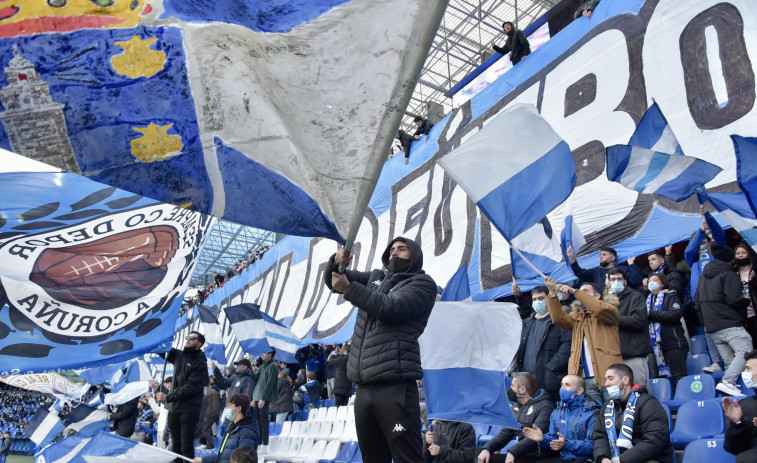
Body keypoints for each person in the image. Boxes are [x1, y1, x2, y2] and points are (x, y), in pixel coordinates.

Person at [324, 237, 437, 463]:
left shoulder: (423, 284)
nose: (394, 253)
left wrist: (350, 289)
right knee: (373, 458)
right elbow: (333, 280)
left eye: (402, 249)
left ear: (414, 256)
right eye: (392, 249)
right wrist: (337, 262)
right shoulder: (376, 277)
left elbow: (391, 307)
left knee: (408, 457)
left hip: (395, 388)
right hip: (364, 390)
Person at [546, 278, 622, 404]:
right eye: (579, 292)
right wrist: (552, 293)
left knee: (615, 412)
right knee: (594, 417)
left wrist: (573, 291)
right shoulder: (577, 317)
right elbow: (558, 319)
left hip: (609, 376)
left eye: (584, 291)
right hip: (584, 379)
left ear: (597, 296)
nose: (579, 294)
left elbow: (598, 309)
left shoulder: (609, 310)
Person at [695, 244, 753, 396]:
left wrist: (705, 323)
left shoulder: (702, 277)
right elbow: (734, 299)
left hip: (712, 327)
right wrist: (746, 301)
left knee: (730, 361)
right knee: (745, 349)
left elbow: (697, 302)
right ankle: (728, 382)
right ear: (730, 259)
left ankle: (729, 393)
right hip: (728, 322)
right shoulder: (729, 274)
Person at [593, 364, 674, 463]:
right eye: (606, 379)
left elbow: (654, 440)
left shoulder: (648, 403)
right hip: (617, 458)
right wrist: (603, 457)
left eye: (611, 378)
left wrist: (624, 460)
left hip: (648, 459)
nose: (606, 383)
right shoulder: (607, 406)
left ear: (626, 380)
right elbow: (600, 435)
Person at [478, 372, 555, 463]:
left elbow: (536, 438)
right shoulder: (515, 407)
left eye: (512, 385)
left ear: (522, 389)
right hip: (521, 453)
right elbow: (505, 433)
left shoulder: (545, 406)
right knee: (479, 456)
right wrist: (487, 448)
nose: (507, 389)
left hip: (538, 455)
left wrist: (512, 452)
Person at [155, 331, 209, 461]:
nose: (188, 340)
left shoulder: (200, 362)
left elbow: (192, 387)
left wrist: (168, 397)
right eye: (187, 337)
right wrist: (156, 336)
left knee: (186, 446)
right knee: (176, 447)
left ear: (199, 343)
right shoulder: (179, 355)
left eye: (192, 338)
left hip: (189, 410)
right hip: (174, 408)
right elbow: (162, 350)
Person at [522, 375, 600, 463]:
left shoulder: (593, 413)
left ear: (579, 391)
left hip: (587, 459)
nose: (562, 388)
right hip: (565, 458)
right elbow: (555, 440)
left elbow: (594, 446)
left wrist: (566, 444)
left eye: (567, 385)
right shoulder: (557, 412)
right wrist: (543, 439)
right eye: (562, 384)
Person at [514, 285, 572, 402]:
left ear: (549, 299)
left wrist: (550, 368)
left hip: (550, 381)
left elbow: (567, 347)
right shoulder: (527, 324)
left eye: (541, 298)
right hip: (528, 382)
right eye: (534, 299)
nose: (537, 302)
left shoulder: (560, 321)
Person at [608, 268, 652, 390]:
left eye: (619, 279)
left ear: (625, 282)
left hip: (634, 355)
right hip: (615, 358)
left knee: (639, 392)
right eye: (613, 279)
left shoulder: (636, 297)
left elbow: (639, 320)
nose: (616, 282)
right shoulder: (606, 301)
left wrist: (613, 320)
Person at [645, 273, 688, 388]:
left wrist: (651, 314)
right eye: (650, 281)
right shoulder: (648, 300)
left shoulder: (670, 296)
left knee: (679, 376)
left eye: (655, 280)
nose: (651, 283)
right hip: (657, 346)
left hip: (673, 343)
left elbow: (675, 315)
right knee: (661, 379)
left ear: (662, 283)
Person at [194, 394, 259, 463]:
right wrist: (203, 460)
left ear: (239, 408)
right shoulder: (231, 429)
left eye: (230, 405)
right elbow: (222, 456)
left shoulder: (247, 433)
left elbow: (244, 460)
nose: (227, 408)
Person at [722, 349, 757, 462]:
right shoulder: (743, 406)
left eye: (748, 369)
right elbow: (733, 448)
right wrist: (737, 423)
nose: (745, 373)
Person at [566, 245, 642, 293]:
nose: (601, 256)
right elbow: (579, 272)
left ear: (612, 258)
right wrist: (572, 258)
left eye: (604, 254)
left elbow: (636, 281)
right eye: (600, 255)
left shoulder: (623, 269)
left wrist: (632, 265)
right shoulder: (595, 272)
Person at [733, 241, 757, 348]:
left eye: (743, 252)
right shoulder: (733, 274)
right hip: (744, 315)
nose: (740, 255)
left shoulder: (755, 270)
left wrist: (754, 280)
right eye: (738, 253)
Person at [252, 349, 278, 446]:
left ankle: (265, 444)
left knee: (264, 421)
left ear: (270, 355)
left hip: (263, 397)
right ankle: (259, 442)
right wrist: (252, 369)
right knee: (257, 421)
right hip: (257, 396)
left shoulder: (273, 366)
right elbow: (254, 378)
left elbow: (269, 383)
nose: (262, 355)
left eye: (264, 353)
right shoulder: (262, 366)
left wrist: (263, 398)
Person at [199, 378, 221, 449]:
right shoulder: (214, 391)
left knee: (204, 430)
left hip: (210, 414)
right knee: (217, 430)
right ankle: (210, 443)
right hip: (216, 413)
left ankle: (210, 444)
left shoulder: (206, 393)